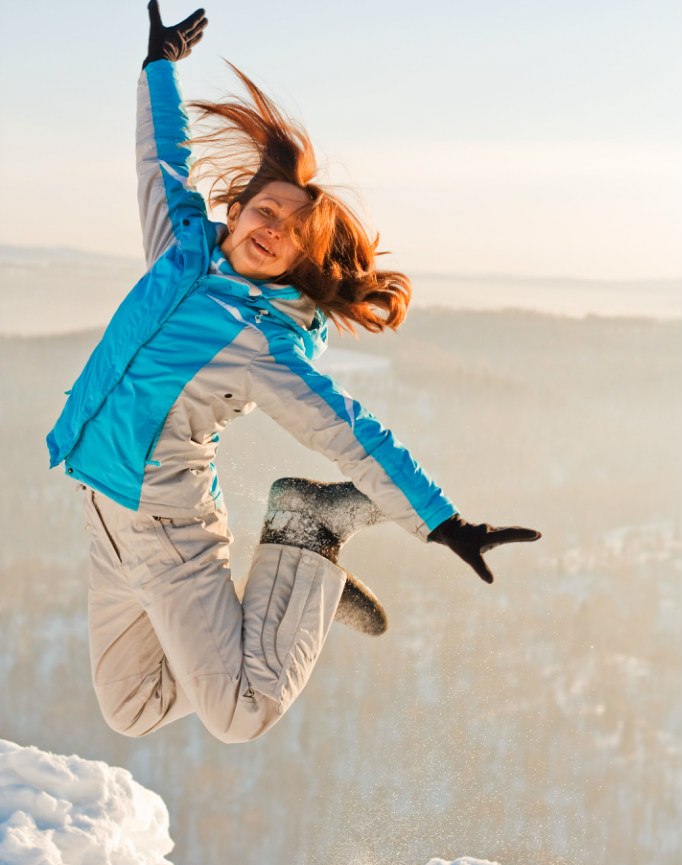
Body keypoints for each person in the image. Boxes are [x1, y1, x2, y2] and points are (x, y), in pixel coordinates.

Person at [46, 1, 541, 745]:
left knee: (241, 711)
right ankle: (295, 576)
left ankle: (308, 535)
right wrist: (158, 69)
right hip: (105, 514)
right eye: (266, 210)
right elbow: (162, 161)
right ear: (238, 208)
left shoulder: (264, 342)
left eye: (292, 231)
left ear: (300, 260)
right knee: (133, 706)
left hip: (167, 528)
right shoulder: (182, 247)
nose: (273, 227)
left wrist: (443, 522)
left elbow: (352, 434)